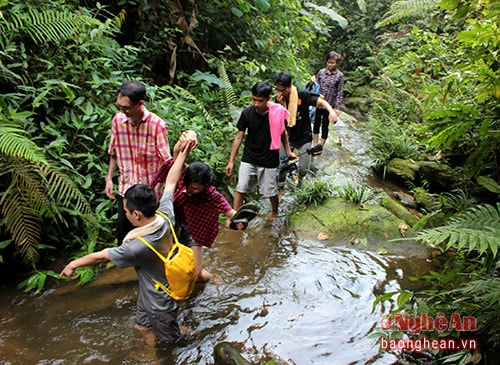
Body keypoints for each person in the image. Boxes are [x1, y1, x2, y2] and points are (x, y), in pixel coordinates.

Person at [61, 137, 195, 347]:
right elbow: (170, 181)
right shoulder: (165, 215)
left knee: (170, 343)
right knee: (141, 327)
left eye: (126, 211)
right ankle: (164, 337)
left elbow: (101, 255)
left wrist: (73, 264)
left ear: (137, 214)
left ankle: (185, 337)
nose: (125, 214)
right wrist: (184, 152)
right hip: (150, 293)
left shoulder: (138, 247)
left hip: (160, 302)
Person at [105, 80, 196, 245]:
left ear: (140, 103)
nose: (122, 111)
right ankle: (125, 268)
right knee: (123, 233)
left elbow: (166, 162)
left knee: (152, 238)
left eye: (126, 107)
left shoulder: (157, 126)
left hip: (149, 193)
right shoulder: (118, 121)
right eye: (119, 107)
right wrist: (109, 178)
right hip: (126, 189)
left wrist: (159, 188)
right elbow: (114, 152)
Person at [151, 161, 244, 283]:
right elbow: (174, 162)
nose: (193, 190)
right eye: (191, 186)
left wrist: (239, 221)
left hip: (193, 230)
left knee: (196, 274)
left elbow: (230, 212)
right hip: (173, 226)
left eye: (197, 188)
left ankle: (211, 277)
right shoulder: (179, 181)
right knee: (167, 267)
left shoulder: (211, 195)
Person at [225, 81, 296, 220]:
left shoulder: (277, 113)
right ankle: (235, 216)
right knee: (241, 187)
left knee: (270, 191)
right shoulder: (247, 113)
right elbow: (239, 137)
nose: (256, 104)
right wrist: (231, 161)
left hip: (269, 159)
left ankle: (274, 212)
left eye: (260, 101)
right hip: (249, 156)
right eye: (254, 100)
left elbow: (283, 133)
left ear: (268, 98)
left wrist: (288, 152)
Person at [274, 71, 337, 187]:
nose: (282, 93)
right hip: (286, 137)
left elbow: (322, 102)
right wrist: (278, 104)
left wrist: (331, 112)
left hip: (304, 136)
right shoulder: (279, 100)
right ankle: (281, 187)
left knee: (303, 168)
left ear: (290, 85)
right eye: (279, 90)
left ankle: (300, 182)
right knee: (281, 165)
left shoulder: (302, 94)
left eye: (284, 90)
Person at [313, 51, 344, 148]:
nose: (330, 64)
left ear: (336, 63)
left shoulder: (339, 75)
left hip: (330, 104)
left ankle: (321, 145)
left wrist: (338, 108)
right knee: (316, 123)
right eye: (329, 62)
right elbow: (316, 86)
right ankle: (315, 144)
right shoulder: (321, 72)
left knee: (325, 125)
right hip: (319, 102)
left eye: (332, 63)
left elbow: (340, 92)